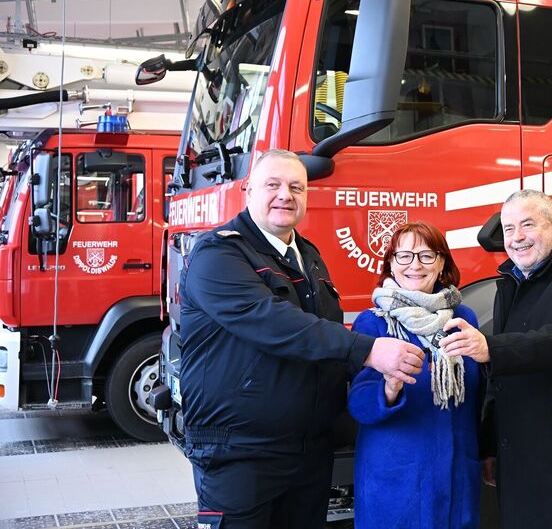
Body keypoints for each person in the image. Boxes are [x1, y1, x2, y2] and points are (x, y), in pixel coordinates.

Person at [178, 149, 424, 528]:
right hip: (241, 454)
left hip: (307, 452)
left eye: (296, 187)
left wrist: (377, 390)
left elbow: (321, 337)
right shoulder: (219, 253)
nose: (286, 195)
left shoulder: (307, 254)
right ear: (248, 190)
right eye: (273, 185)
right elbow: (273, 322)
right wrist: (368, 350)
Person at [440, 189, 552, 528]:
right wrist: (491, 445)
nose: (517, 237)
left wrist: (490, 348)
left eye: (528, 224)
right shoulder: (509, 284)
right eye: (509, 228)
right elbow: (500, 381)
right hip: (518, 460)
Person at [347, 221, 482, 529]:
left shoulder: (464, 319)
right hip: (398, 483)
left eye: (426, 255)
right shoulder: (373, 322)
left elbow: (479, 396)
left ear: (442, 263)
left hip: (457, 479)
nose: (415, 265)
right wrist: (389, 388)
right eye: (404, 256)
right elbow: (359, 404)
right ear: (391, 264)